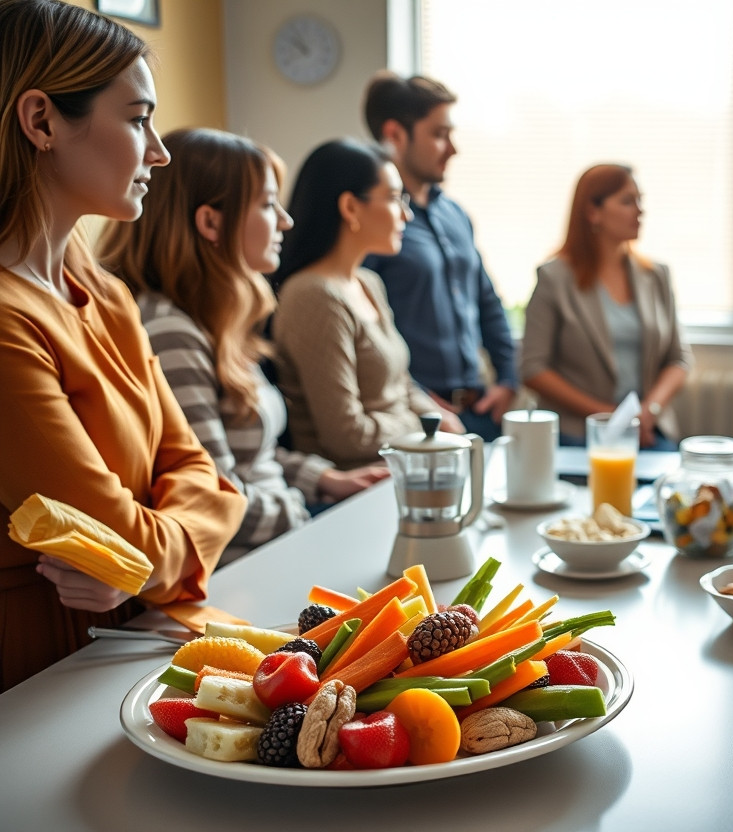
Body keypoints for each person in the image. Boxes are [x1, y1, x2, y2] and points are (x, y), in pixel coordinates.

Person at [0, 0, 245, 690]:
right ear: (41, 121)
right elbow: (109, 530)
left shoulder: (103, 294)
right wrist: (137, 556)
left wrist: (136, 563)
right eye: (139, 119)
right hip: (41, 668)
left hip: (135, 634)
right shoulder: (6, 321)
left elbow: (208, 479)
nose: (160, 150)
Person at [98, 128, 391, 565]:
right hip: (243, 565)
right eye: (268, 205)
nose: (286, 222)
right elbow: (216, 494)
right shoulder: (171, 334)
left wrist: (325, 479)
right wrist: (301, 507)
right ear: (211, 222)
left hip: (274, 540)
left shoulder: (210, 321)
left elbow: (250, 454)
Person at [271, 138, 463, 469]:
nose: (406, 214)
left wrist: (437, 416)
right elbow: (347, 436)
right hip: (350, 487)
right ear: (350, 207)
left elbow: (400, 383)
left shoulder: (368, 283)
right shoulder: (314, 297)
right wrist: (425, 425)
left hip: (397, 466)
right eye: (392, 198)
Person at [361, 71, 519, 440]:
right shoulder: (373, 226)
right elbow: (367, 331)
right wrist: (418, 399)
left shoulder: (455, 214)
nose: (452, 148)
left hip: (481, 411)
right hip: (420, 420)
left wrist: (508, 379)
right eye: (439, 134)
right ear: (395, 135)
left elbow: (487, 301)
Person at [521, 164, 692, 449]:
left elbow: (679, 359)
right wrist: (607, 416)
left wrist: (649, 412)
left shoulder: (656, 276)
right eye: (627, 201)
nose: (640, 210)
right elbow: (533, 368)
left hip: (647, 432)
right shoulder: (554, 278)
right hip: (577, 432)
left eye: (640, 200)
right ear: (593, 211)